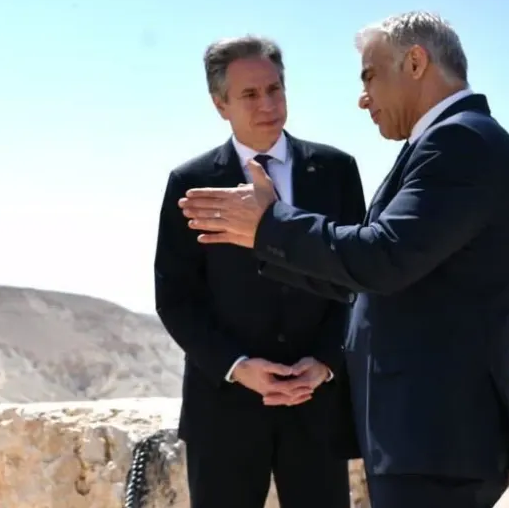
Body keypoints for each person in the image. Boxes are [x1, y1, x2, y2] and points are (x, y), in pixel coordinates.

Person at [177, 11, 509, 508]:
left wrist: (269, 227)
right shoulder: (441, 144)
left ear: (415, 63)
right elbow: (372, 277)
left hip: (436, 436)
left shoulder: (461, 143)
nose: (363, 96)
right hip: (419, 439)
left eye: (370, 75)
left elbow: (382, 257)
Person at [154, 35, 366, 508]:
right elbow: (176, 298)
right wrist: (238, 367)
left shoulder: (336, 171)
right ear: (220, 104)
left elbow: (357, 281)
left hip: (317, 409)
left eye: (275, 89)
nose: (267, 104)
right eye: (250, 94)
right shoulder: (191, 183)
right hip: (223, 410)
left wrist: (326, 363)